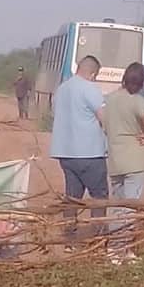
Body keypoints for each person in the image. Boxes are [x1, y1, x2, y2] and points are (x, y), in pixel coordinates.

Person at [49, 55, 109, 243]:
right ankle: (98, 237)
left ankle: (69, 237)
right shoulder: (90, 89)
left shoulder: (61, 89)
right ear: (92, 74)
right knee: (99, 196)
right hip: (90, 153)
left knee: (72, 197)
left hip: (65, 153)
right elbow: (104, 117)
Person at [103, 62, 144, 261]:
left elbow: (104, 124)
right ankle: (122, 248)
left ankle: (115, 248)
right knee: (130, 207)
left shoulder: (111, 99)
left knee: (116, 206)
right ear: (142, 82)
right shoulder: (137, 100)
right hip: (136, 160)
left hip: (116, 159)